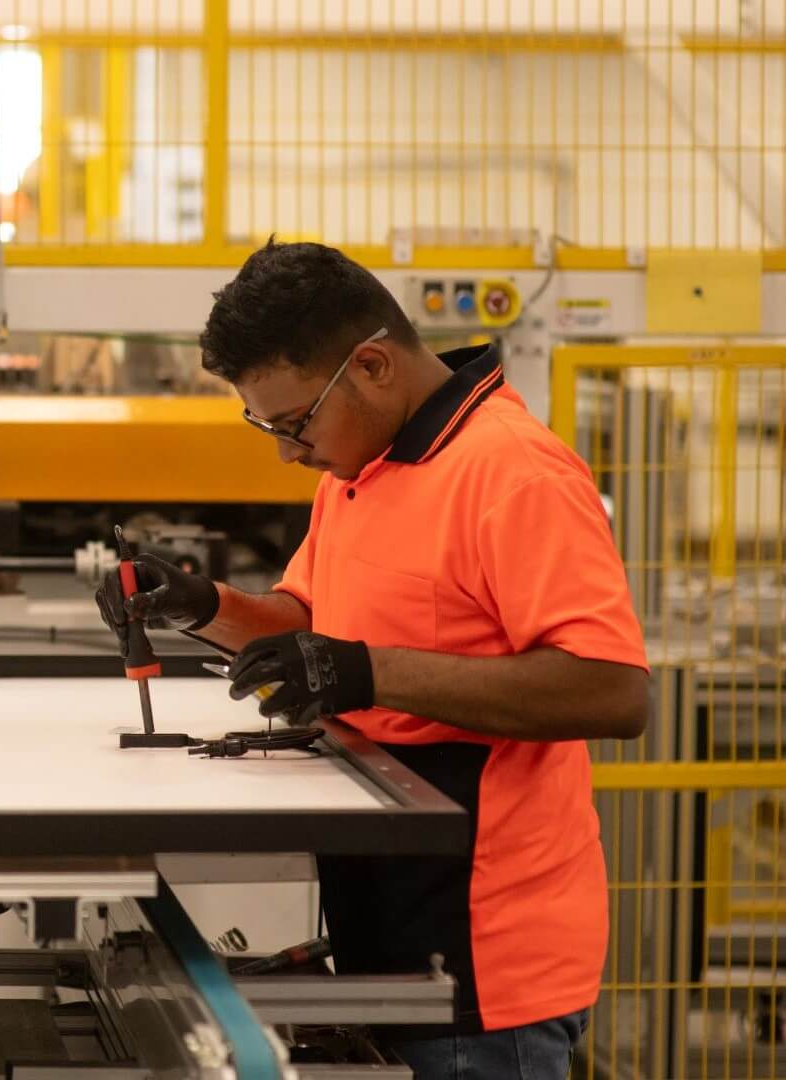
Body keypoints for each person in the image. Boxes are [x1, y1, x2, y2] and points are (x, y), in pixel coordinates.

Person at [97, 240, 649, 1079]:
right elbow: (311, 628)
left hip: (479, 964)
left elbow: (611, 690)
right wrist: (200, 606)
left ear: (372, 365)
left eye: (294, 424)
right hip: (388, 930)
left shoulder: (514, 472)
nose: (288, 452)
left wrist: (370, 672)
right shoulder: (364, 471)